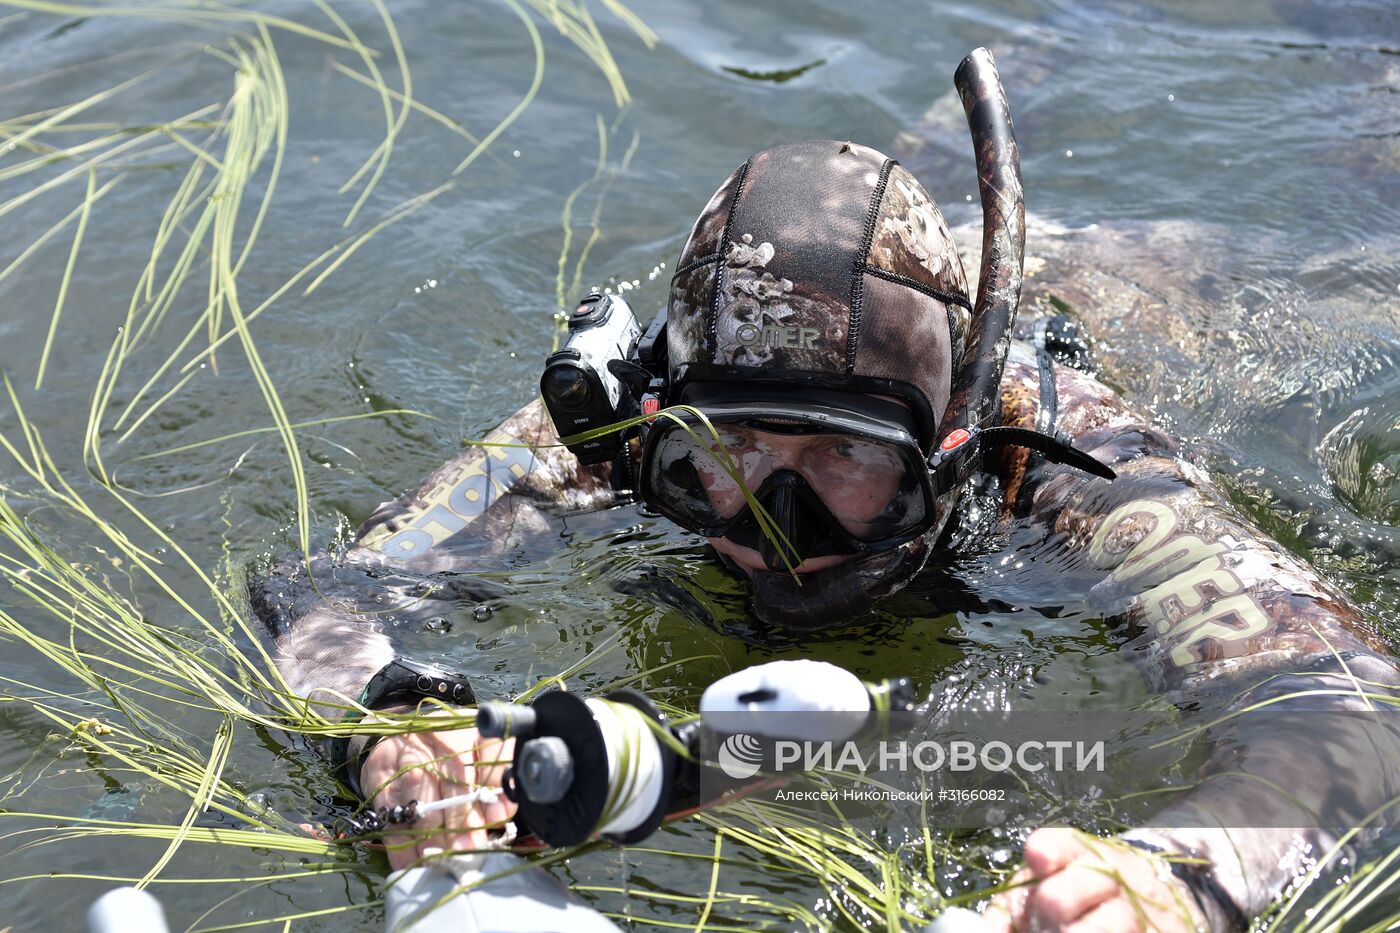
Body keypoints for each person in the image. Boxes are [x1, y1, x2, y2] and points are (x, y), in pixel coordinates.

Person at [250, 78, 1400, 932]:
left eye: (843, 460)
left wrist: (1174, 880)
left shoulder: (1064, 459)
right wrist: (396, 729)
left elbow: (1354, 714)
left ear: (948, 447)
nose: (772, 524)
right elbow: (327, 592)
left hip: (1179, 289)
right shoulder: (612, 427)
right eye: (728, 450)